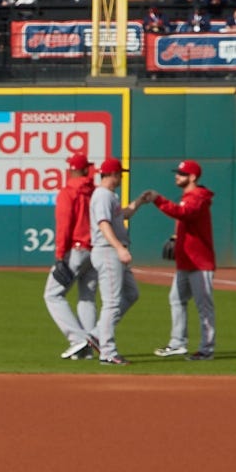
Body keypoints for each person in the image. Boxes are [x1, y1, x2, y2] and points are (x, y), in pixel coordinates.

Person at [143, 159, 217, 360]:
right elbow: (186, 220)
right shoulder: (189, 196)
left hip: (200, 262)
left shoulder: (198, 197)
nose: (177, 176)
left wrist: (159, 199)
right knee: (176, 299)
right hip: (185, 261)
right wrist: (177, 237)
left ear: (192, 177)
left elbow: (184, 213)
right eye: (178, 173)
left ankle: (206, 349)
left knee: (204, 307)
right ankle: (178, 343)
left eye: (182, 174)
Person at [90, 156, 148, 365]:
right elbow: (103, 224)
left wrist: (140, 201)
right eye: (120, 174)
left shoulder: (110, 195)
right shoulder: (103, 196)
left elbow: (123, 214)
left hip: (113, 251)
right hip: (108, 251)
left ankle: (97, 335)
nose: (122, 177)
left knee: (131, 294)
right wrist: (119, 248)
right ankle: (107, 352)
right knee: (112, 303)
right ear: (113, 174)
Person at [44, 151, 99, 359]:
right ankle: (87, 348)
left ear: (71, 169)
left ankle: (78, 340)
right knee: (87, 298)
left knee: (52, 294)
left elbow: (64, 225)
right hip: (94, 250)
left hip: (75, 250)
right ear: (86, 169)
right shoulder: (95, 191)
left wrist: (59, 255)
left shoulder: (68, 192)